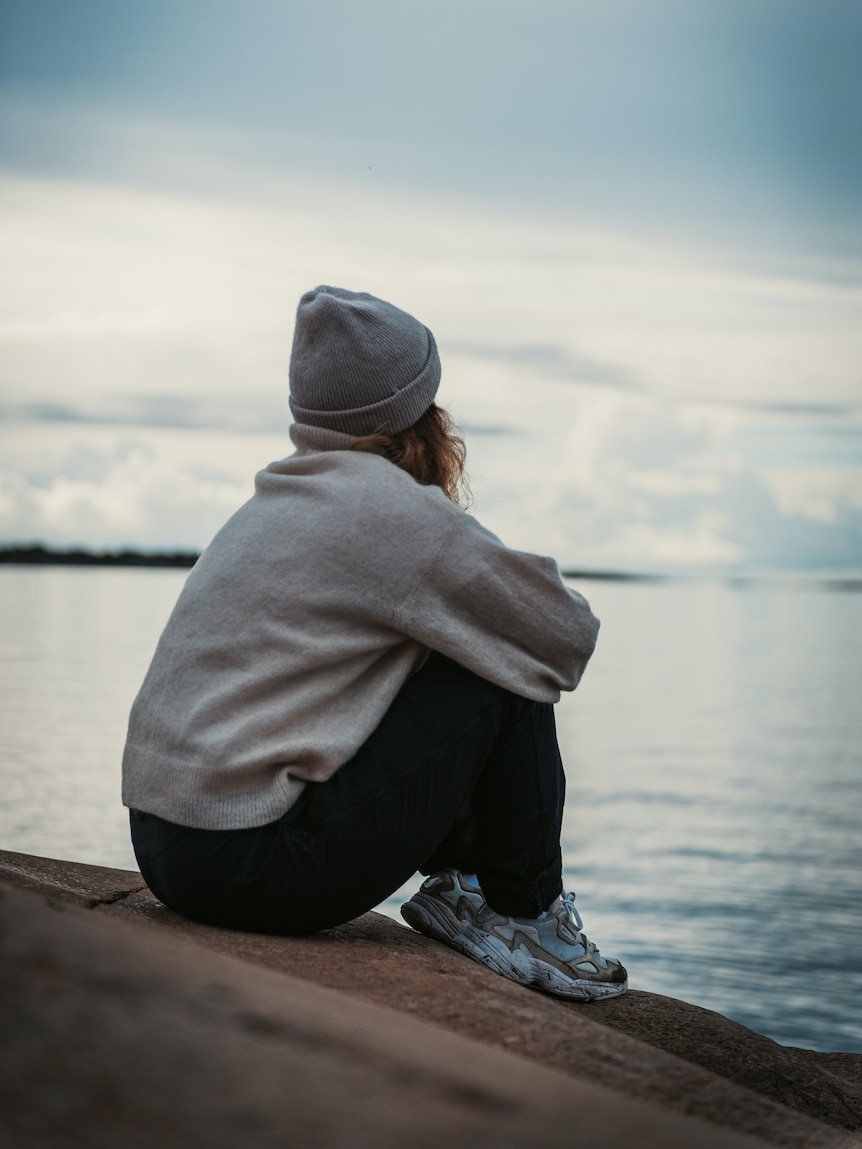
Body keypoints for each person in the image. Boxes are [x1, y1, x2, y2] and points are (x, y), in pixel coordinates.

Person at [123, 285, 627, 1001]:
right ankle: (523, 912)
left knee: (451, 646)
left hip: (166, 848)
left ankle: (466, 886)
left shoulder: (272, 499)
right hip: (252, 865)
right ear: (416, 413)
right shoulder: (388, 511)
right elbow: (563, 636)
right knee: (507, 672)